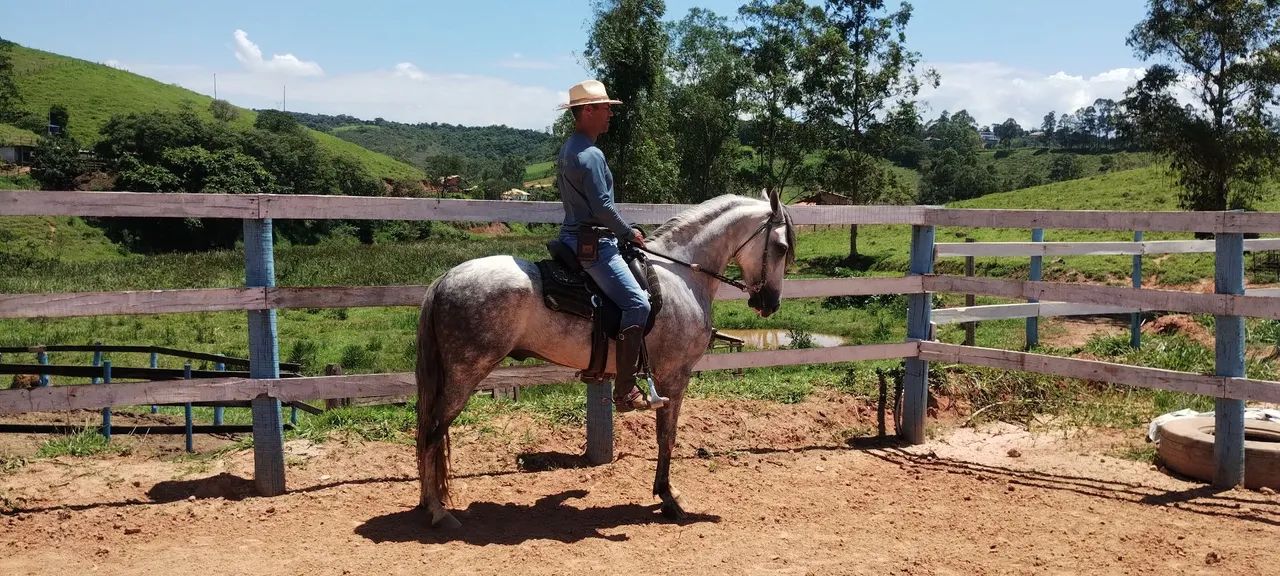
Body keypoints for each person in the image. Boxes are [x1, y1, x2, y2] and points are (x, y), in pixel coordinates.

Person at [555, 79, 652, 412]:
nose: (610, 113)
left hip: (571, 235)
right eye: (606, 107)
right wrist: (628, 233)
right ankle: (624, 389)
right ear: (588, 111)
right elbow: (603, 208)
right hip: (595, 243)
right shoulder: (591, 154)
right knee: (638, 304)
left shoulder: (569, 148)